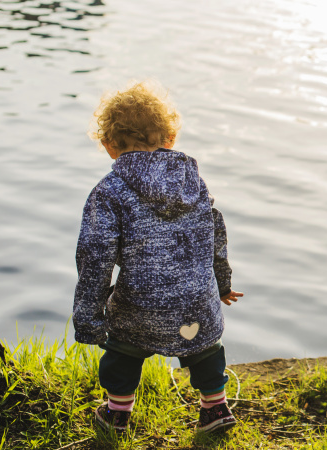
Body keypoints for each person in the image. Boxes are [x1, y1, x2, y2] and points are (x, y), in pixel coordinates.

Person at [72, 81, 243, 434]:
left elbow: (95, 256)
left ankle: (117, 413)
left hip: (140, 305)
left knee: (123, 351)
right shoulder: (195, 183)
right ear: (170, 138)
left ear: (108, 146)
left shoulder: (108, 192)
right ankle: (215, 408)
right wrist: (223, 283)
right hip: (197, 303)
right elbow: (216, 234)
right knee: (205, 348)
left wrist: (88, 317)